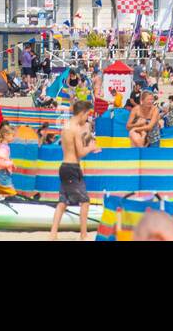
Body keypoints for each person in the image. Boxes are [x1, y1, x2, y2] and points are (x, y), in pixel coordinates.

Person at [50, 100, 100, 240]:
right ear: (82, 113)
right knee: (84, 201)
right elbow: (80, 153)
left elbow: (69, 148)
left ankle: (53, 233)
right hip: (72, 168)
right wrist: (91, 147)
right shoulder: (76, 129)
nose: (87, 117)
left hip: (65, 166)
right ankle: (83, 235)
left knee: (63, 202)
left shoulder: (66, 126)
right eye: (87, 114)